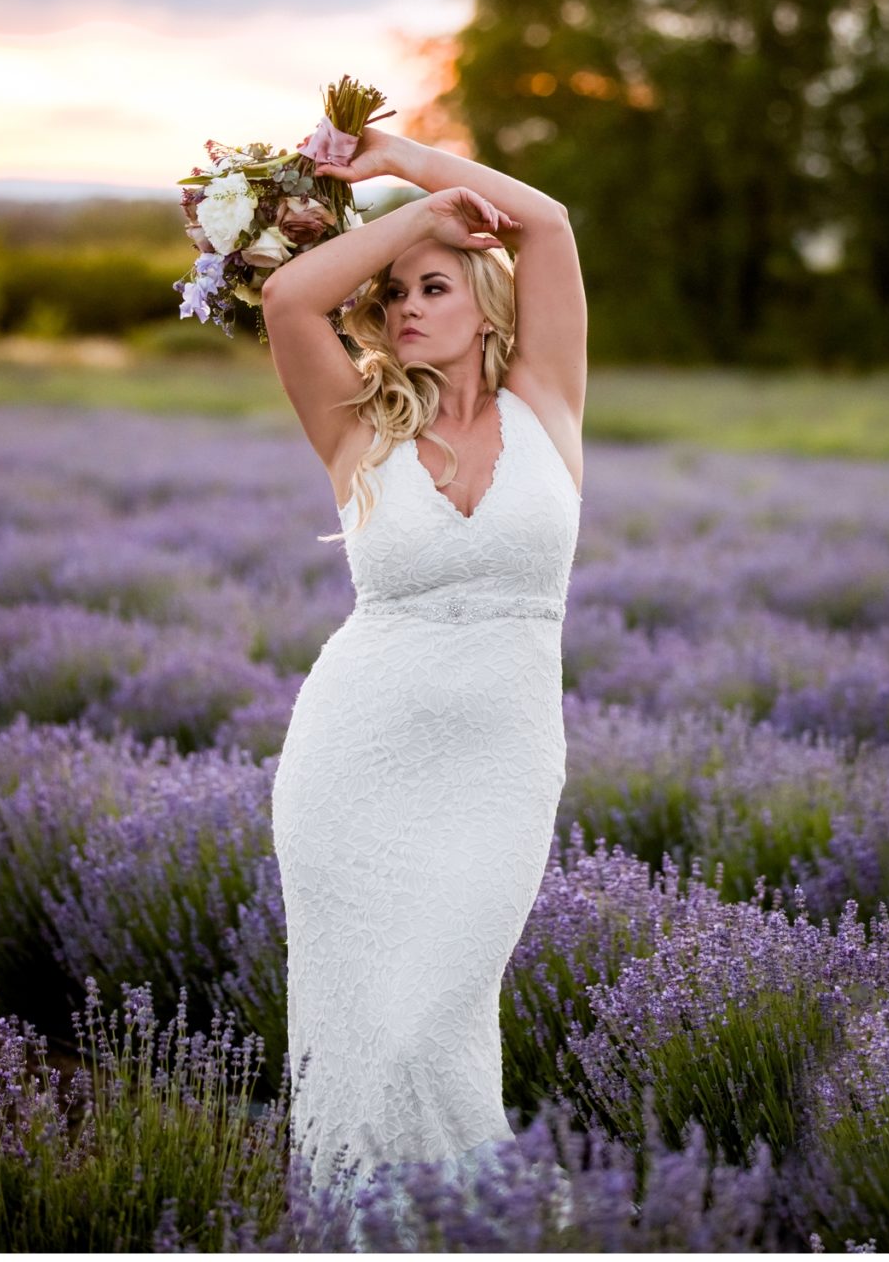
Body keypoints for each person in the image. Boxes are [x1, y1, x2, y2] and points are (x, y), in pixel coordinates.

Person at [260, 125, 587, 1225]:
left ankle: (488, 1227)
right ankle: (370, 1230)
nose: (405, 305)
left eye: (435, 285)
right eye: (392, 291)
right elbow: (291, 302)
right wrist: (411, 224)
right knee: (364, 1032)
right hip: (354, 764)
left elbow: (547, 223)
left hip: (497, 768)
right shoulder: (358, 429)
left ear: (489, 304)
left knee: (437, 1014)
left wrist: (402, 156)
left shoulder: (546, 398)